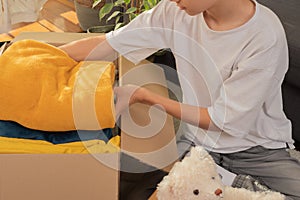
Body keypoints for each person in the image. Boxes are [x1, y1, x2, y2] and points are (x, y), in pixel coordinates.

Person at [60, 0, 300, 199]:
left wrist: (143, 96)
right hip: (200, 148)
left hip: (259, 151)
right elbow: (111, 44)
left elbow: (224, 121)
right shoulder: (175, 12)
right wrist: (41, 55)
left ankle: (233, 186)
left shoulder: (263, 36)